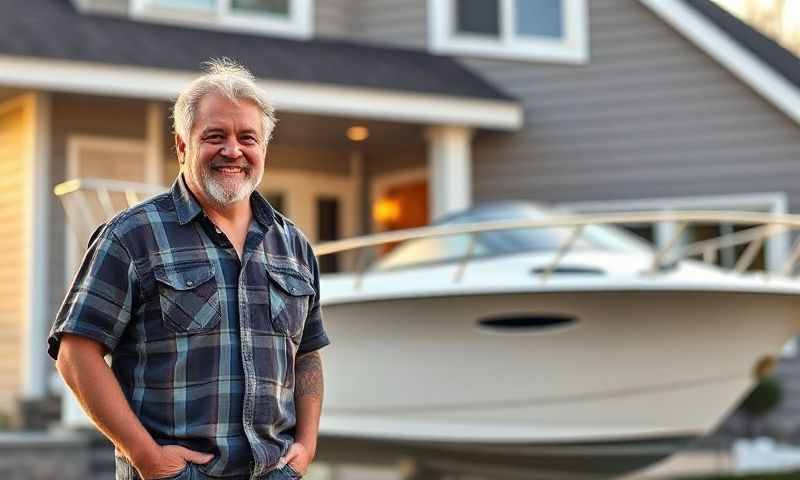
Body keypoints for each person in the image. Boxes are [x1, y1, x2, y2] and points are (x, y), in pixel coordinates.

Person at [47, 59, 329, 480]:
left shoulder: (294, 246)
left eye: (247, 138)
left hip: (275, 472)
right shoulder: (131, 236)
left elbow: (307, 355)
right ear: (182, 146)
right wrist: (147, 457)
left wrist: (306, 447)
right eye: (214, 136)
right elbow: (75, 355)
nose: (232, 150)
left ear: (263, 149)